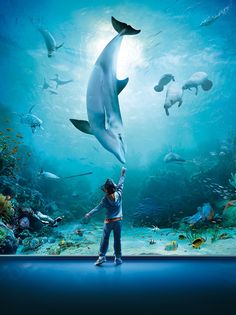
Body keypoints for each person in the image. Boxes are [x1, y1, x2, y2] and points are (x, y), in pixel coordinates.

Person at [85, 167, 126, 266]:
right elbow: (121, 183)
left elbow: (98, 208)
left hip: (108, 222)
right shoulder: (119, 193)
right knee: (117, 239)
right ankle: (118, 258)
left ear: (106, 190)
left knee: (105, 239)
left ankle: (101, 257)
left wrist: (89, 214)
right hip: (118, 221)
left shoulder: (105, 199)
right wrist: (122, 174)